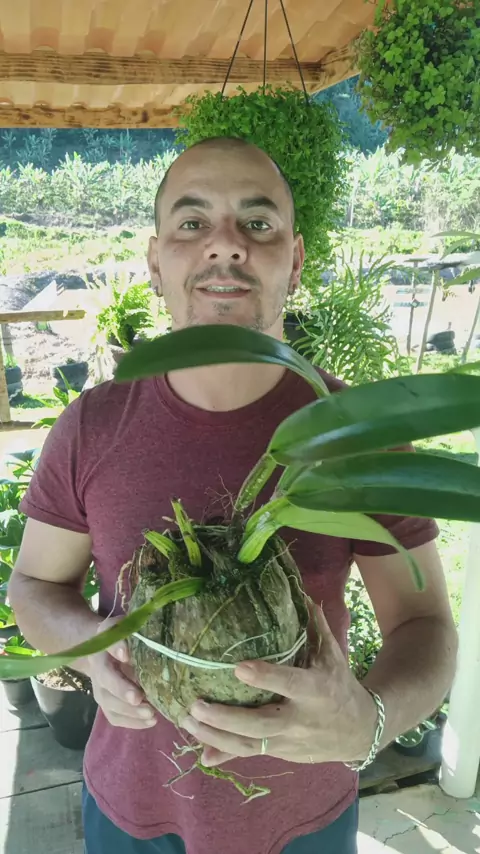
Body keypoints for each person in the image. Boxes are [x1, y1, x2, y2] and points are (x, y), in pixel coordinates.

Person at [8, 137, 458, 854]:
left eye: (257, 223)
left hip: (303, 818)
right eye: (192, 223)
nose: (226, 244)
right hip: (130, 810)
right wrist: (92, 653)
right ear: (155, 262)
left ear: (296, 260)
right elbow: (34, 588)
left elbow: (424, 623)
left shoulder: (354, 434)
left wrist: (367, 721)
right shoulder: (94, 426)